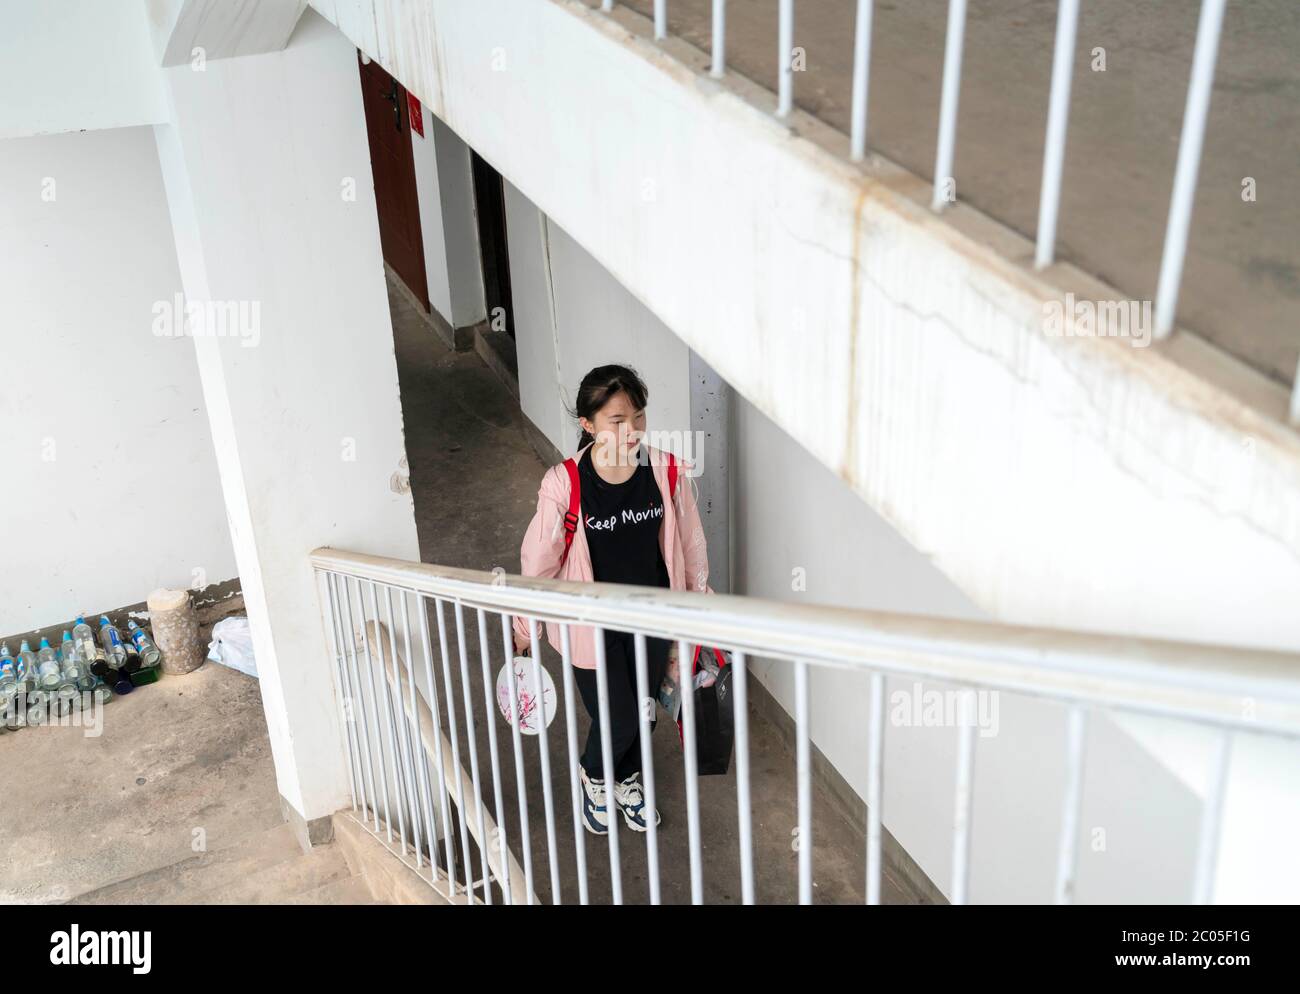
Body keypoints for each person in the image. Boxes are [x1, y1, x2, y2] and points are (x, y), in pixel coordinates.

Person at [513, 364, 714, 835]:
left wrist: (703, 609)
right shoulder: (566, 483)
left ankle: (626, 780)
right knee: (618, 718)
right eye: (617, 421)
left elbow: (690, 546)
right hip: (590, 625)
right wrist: (525, 628)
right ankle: (595, 776)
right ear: (588, 424)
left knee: (643, 714)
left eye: (639, 418)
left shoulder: (663, 470)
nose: (632, 431)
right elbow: (536, 562)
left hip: (651, 617)